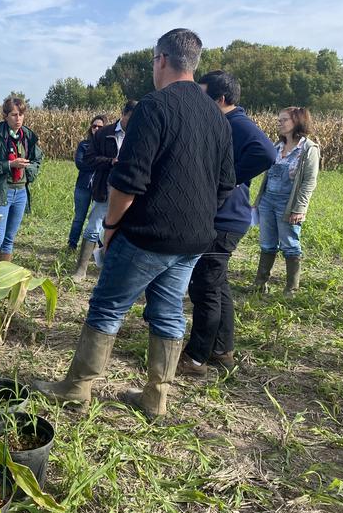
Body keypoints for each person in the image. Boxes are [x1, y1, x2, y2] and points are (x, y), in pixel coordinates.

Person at [34, 29, 235, 420]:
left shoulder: (153, 107)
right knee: (169, 312)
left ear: (161, 60)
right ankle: (155, 397)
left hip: (146, 235)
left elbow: (128, 179)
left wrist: (110, 227)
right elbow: (226, 183)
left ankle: (77, 387)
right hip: (193, 240)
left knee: (108, 307)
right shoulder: (215, 114)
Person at [176, 71, 277, 377]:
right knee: (217, 286)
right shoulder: (223, 123)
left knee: (205, 286)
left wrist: (229, 179)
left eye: (205, 96)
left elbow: (266, 152)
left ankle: (195, 359)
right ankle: (222, 350)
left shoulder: (237, 123)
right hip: (224, 217)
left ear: (220, 99)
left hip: (225, 219)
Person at [252, 107, 320, 296]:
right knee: (267, 243)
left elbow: (309, 182)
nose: (279, 123)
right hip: (268, 201)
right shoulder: (277, 146)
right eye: (279, 119)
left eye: (284, 120)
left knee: (290, 244)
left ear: (297, 122)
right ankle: (260, 283)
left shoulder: (308, 149)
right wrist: (259, 200)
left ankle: (291, 289)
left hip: (287, 204)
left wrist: (299, 208)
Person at [72, 101, 137, 281]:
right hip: (105, 188)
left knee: (122, 232)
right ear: (123, 113)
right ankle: (81, 269)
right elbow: (89, 159)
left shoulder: (140, 134)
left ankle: (111, 272)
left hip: (128, 190)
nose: (132, 123)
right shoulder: (103, 133)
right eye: (130, 118)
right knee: (94, 227)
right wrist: (110, 161)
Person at [0, 96, 43, 267]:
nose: (18, 119)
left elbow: (38, 160)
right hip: (2, 192)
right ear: (5, 116)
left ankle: (1, 279)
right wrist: (10, 164)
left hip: (21, 193)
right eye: (14, 115)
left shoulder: (28, 136)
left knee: (9, 239)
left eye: (21, 114)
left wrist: (27, 168)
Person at [68, 114, 108, 250]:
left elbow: (109, 164)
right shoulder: (84, 145)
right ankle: (72, 245)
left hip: (100, 187)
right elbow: (80, 163)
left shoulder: (107, 146)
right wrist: (100, 163)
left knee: (99, 220)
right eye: (94, 126)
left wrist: (94, 162)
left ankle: (98, 248)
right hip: (83, 186)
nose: (96, 128)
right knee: (79, 218)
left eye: (100, 126)